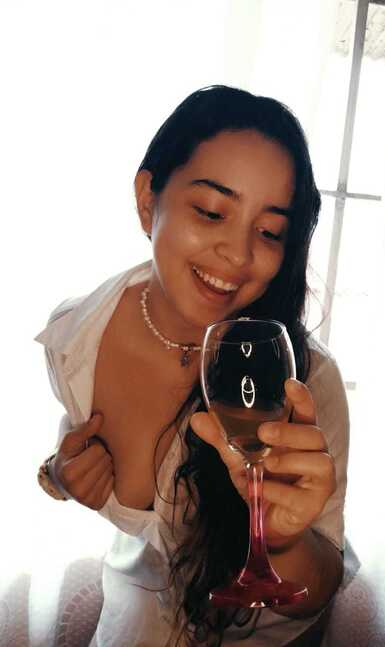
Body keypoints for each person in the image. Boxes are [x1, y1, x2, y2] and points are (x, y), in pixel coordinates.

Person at [35, 85, 349, 647]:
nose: (239, 254)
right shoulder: (76, 337)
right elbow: (75, 442)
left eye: (269, 232)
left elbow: (319, 585)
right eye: (211, 211)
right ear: (147, 199)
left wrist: (283, 541)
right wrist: (58, 476)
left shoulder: (301, 379)